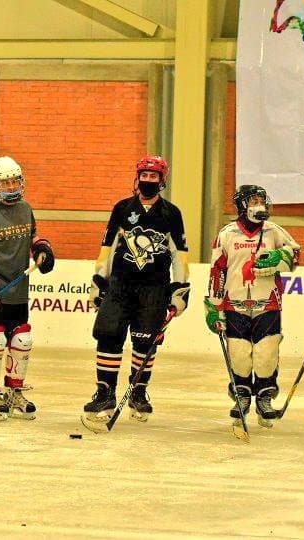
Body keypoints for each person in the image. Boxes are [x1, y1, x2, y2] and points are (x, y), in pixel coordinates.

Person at [82, 155, 190, 423]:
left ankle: (138, 392)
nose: (148, 181)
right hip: (120, 285)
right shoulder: (121, 209)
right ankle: (104, 392)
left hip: (154, 288)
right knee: (108, 335)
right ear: (137, 176)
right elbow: (107, 248)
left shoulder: (172, 214)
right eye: (144, 175)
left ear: (162, 180)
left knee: (145, 340)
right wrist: (98, 281)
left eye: (154, 177)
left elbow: (180, 255)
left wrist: (180, 291)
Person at [205, 185, 301, 431]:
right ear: (241, 206)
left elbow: (295, 254)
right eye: (253, 201)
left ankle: (265, 398)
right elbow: (218, 270)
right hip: (234, 305)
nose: (259, 206)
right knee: (239, 355)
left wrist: (280, 258)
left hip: (267, 303)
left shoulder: (273, 231)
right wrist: (214, 307)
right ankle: (242, 395)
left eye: (261, 201)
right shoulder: (227, 234)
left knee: (266, 354)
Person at [0, 156, 55, 421]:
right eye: (5, 182)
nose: (11, 186)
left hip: (18, 291)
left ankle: (14, 392)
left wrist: (41, 247)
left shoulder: (25, 208)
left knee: (21, 340)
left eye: (14, 181)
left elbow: (32, 235)